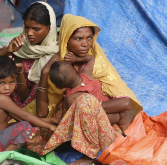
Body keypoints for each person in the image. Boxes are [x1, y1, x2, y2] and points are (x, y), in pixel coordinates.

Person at [27, 14, 143, 164]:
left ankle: (90, 156)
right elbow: (42, 113)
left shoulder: (94, 62)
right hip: (79, 122)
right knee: (37, 132)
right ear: (66, 39)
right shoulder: (59, 67)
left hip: (106, 124)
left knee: (85, 102)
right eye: (78, 38)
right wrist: (44, 73)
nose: (86, 44)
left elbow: (120, 98)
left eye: (89, 37)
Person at [0, 1, 60, 113]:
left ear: (50, 27)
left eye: (36, 29)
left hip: (35, 110)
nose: (29, 33)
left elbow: (27, 98)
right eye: (27, 27)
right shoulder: (20, 46)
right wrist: (7, 50)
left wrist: (20, 75)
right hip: (8, 106)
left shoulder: (56, 54)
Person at [0, 56, 58, 153]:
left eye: (12, 82)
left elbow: (21, 118)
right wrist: (49, 126)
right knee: (25, 127)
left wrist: (49, 120)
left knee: (24, 124)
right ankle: (4, 155)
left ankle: (4, 153)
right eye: (1, 83)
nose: (7, 87)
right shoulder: (0, 98)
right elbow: (26, 116)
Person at [49, 54, 131, 133]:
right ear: (75, 69)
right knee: (125, 106)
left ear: (59, 87)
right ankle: (126, 132)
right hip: (102, 113)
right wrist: (76, 59)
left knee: (121, 110)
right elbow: (92, 58)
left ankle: (125, 133)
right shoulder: (86, 73)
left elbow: (74, 116)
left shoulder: (70, 97)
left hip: (105, 112)